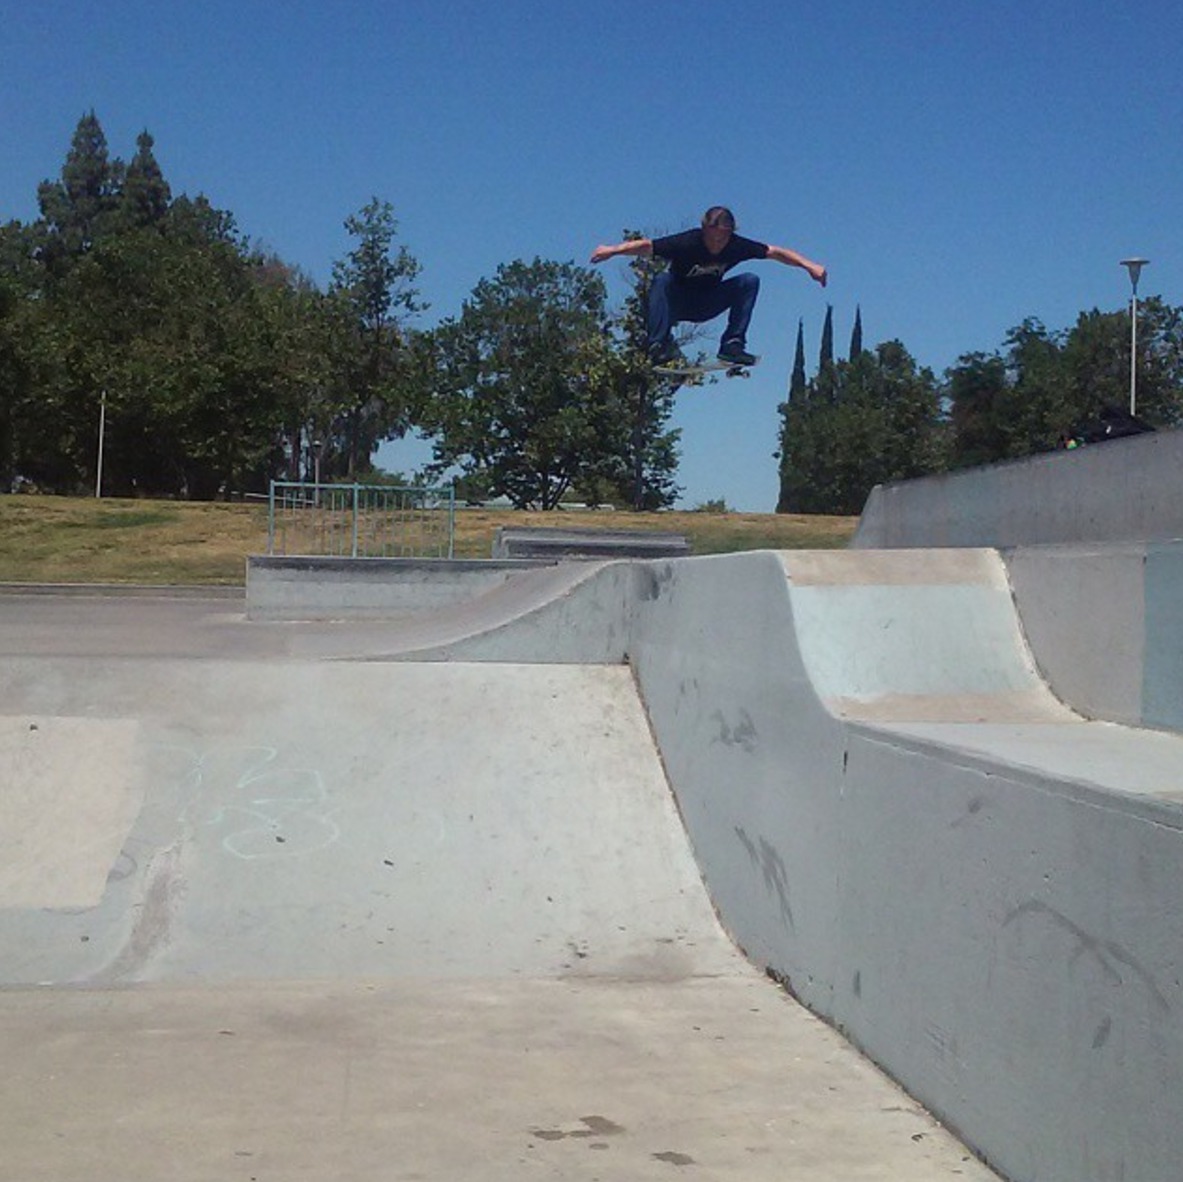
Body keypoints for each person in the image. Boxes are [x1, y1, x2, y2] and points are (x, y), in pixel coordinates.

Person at [590, 206, 827, 367]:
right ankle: (659, 344)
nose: (716, 243)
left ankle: (732, 345)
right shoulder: (687, 242)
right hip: (678, 303)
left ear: (730, 233)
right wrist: (612, 250)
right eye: (711, 237)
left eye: (722, 238)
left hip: (707, 303)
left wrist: (810, 266)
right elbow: (647, 246)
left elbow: (775, 252)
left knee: (749, 281)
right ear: (703, 230)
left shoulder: (737, 246)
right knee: (662, 279)